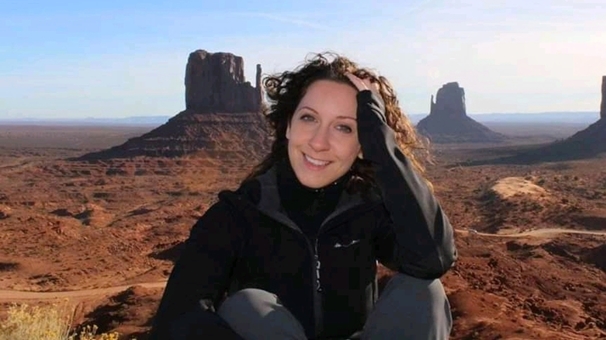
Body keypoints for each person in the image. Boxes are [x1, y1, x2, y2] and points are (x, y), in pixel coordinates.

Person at [148, 53, 457, 340]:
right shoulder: (237, 214)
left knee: (423, 292)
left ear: (363, 144)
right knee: (248, 307)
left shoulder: (366, 208)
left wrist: (381, 144)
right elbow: (177, 320)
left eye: (344, 128)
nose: (319, 143)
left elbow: (433, 259)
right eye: (309, 118)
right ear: (288, 126)